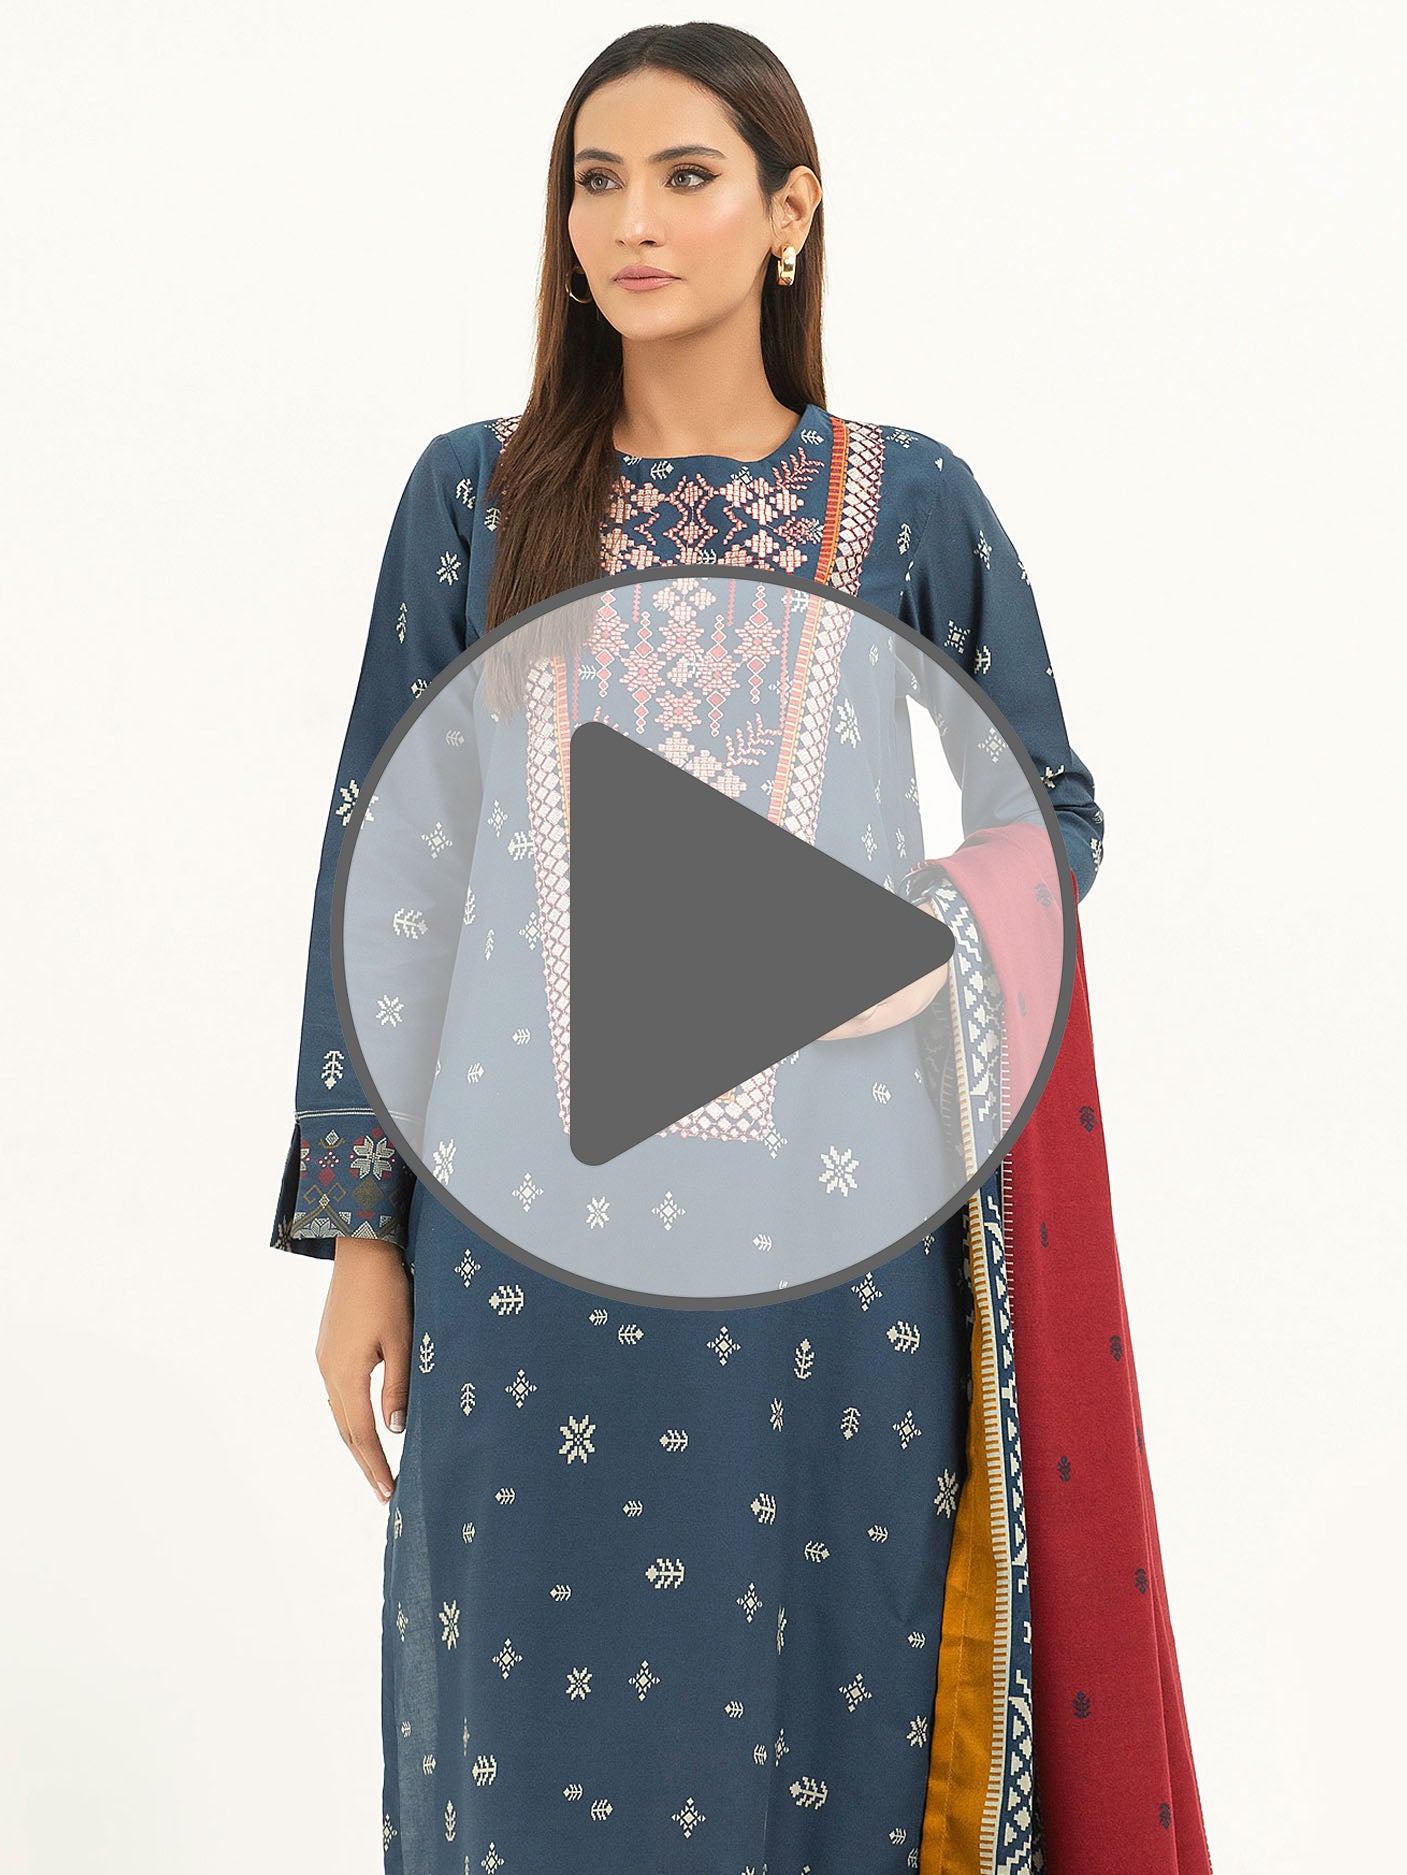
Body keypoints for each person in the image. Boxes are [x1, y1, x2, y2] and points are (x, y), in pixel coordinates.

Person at [270, 23, 1213, 1874]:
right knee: (519, 1756)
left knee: (825, 1714)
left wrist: (918, 940)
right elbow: (389, 871)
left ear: (790, 213)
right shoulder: (476, 497)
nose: (631, 221)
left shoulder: (905, 500)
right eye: (595, 181)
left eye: (687, 178)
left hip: (829, 1247)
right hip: (521, 1253)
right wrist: (361, 1232)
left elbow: (1052, 810)